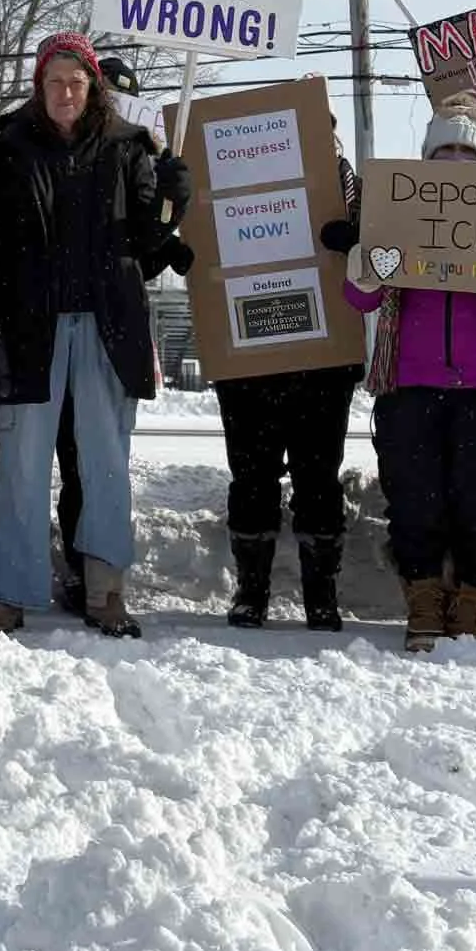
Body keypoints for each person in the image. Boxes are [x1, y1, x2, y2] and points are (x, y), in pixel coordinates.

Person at [0, 32, 182, 639]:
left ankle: (106, 590)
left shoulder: (128, 147)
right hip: (31, 330)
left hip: (108, 328)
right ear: (39, 85)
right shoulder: (8, 149)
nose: (65, 92)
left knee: (107, 463)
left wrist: (171, 201)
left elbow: (147, 242)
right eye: (55, 82)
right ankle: (9, 592)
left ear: (93, 88)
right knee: (21, 465)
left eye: (77, 83)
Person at [345, 98, 476, 651]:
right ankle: (423, 602)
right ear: (427, 156)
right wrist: (367, 272)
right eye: (446, 149)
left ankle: (470, 602)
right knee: (415, 500)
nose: (458, 159)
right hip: (410, 381)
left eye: (468, 149)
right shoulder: (396, 210)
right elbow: (363, 299)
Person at [199, 145, 351, 630]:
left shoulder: (350, 189)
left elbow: (385, 258)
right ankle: (252, 590)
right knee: (251, 477)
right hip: (248, 359)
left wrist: (358, 240)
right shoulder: (227, 180)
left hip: (323, 362)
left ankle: (321, 595)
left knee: (319, 479)